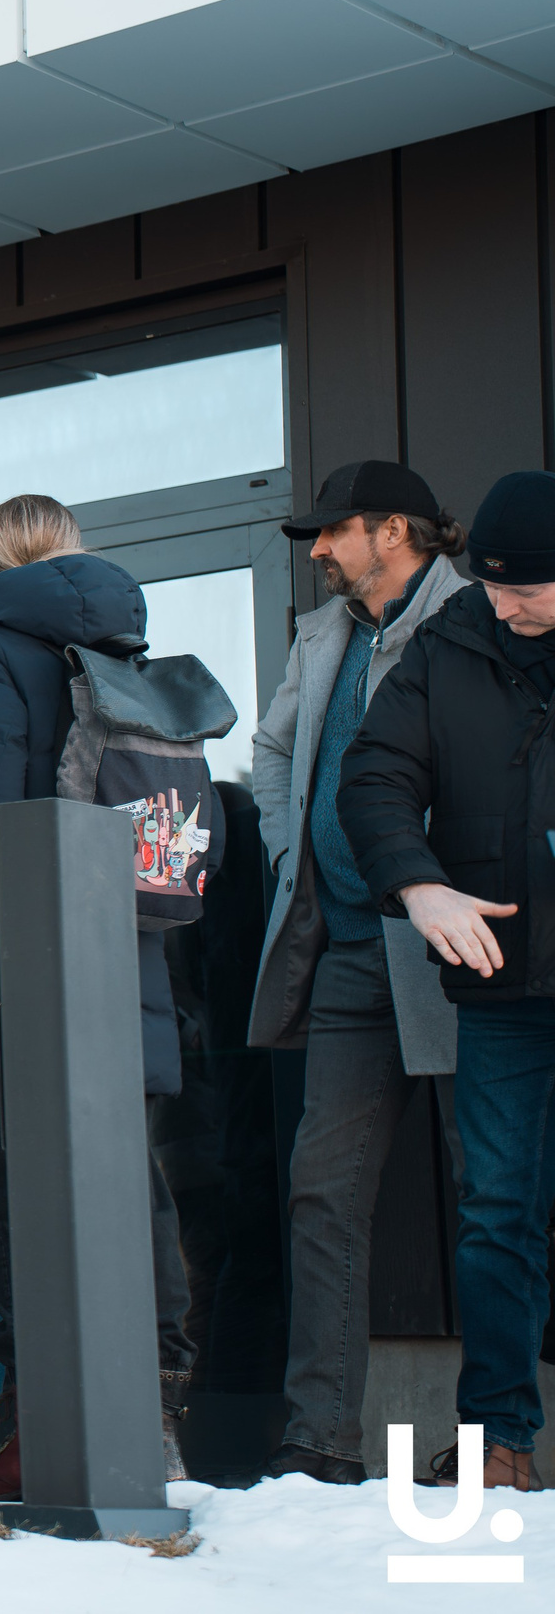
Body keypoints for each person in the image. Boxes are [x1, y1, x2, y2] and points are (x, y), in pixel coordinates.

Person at [0, 495, 196, 1503]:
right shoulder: (124, 653)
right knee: (120, 1189)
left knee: (10, 1196)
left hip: (10, 959)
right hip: (123, 954)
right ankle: (150, 1415)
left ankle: (41, 1430)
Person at [248, 461, 468, 1485]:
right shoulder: (323, 633)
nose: (319, 551)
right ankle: (320, 1440)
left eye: (332, 533)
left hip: (468, 954)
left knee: (498, 1195)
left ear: (391, 530)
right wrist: (294, 854)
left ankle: (490, 1443)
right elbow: (275, 753)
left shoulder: (476, 618)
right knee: (320, 1193)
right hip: (343, 949)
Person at [338, 466, 555, 1494]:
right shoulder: (450, 644)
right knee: (495, 1208)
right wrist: (417, 884)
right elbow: (374, 774)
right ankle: (495, 1442)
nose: (510, 605)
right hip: (503, 988)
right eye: (497, 585)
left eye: (532, 589)